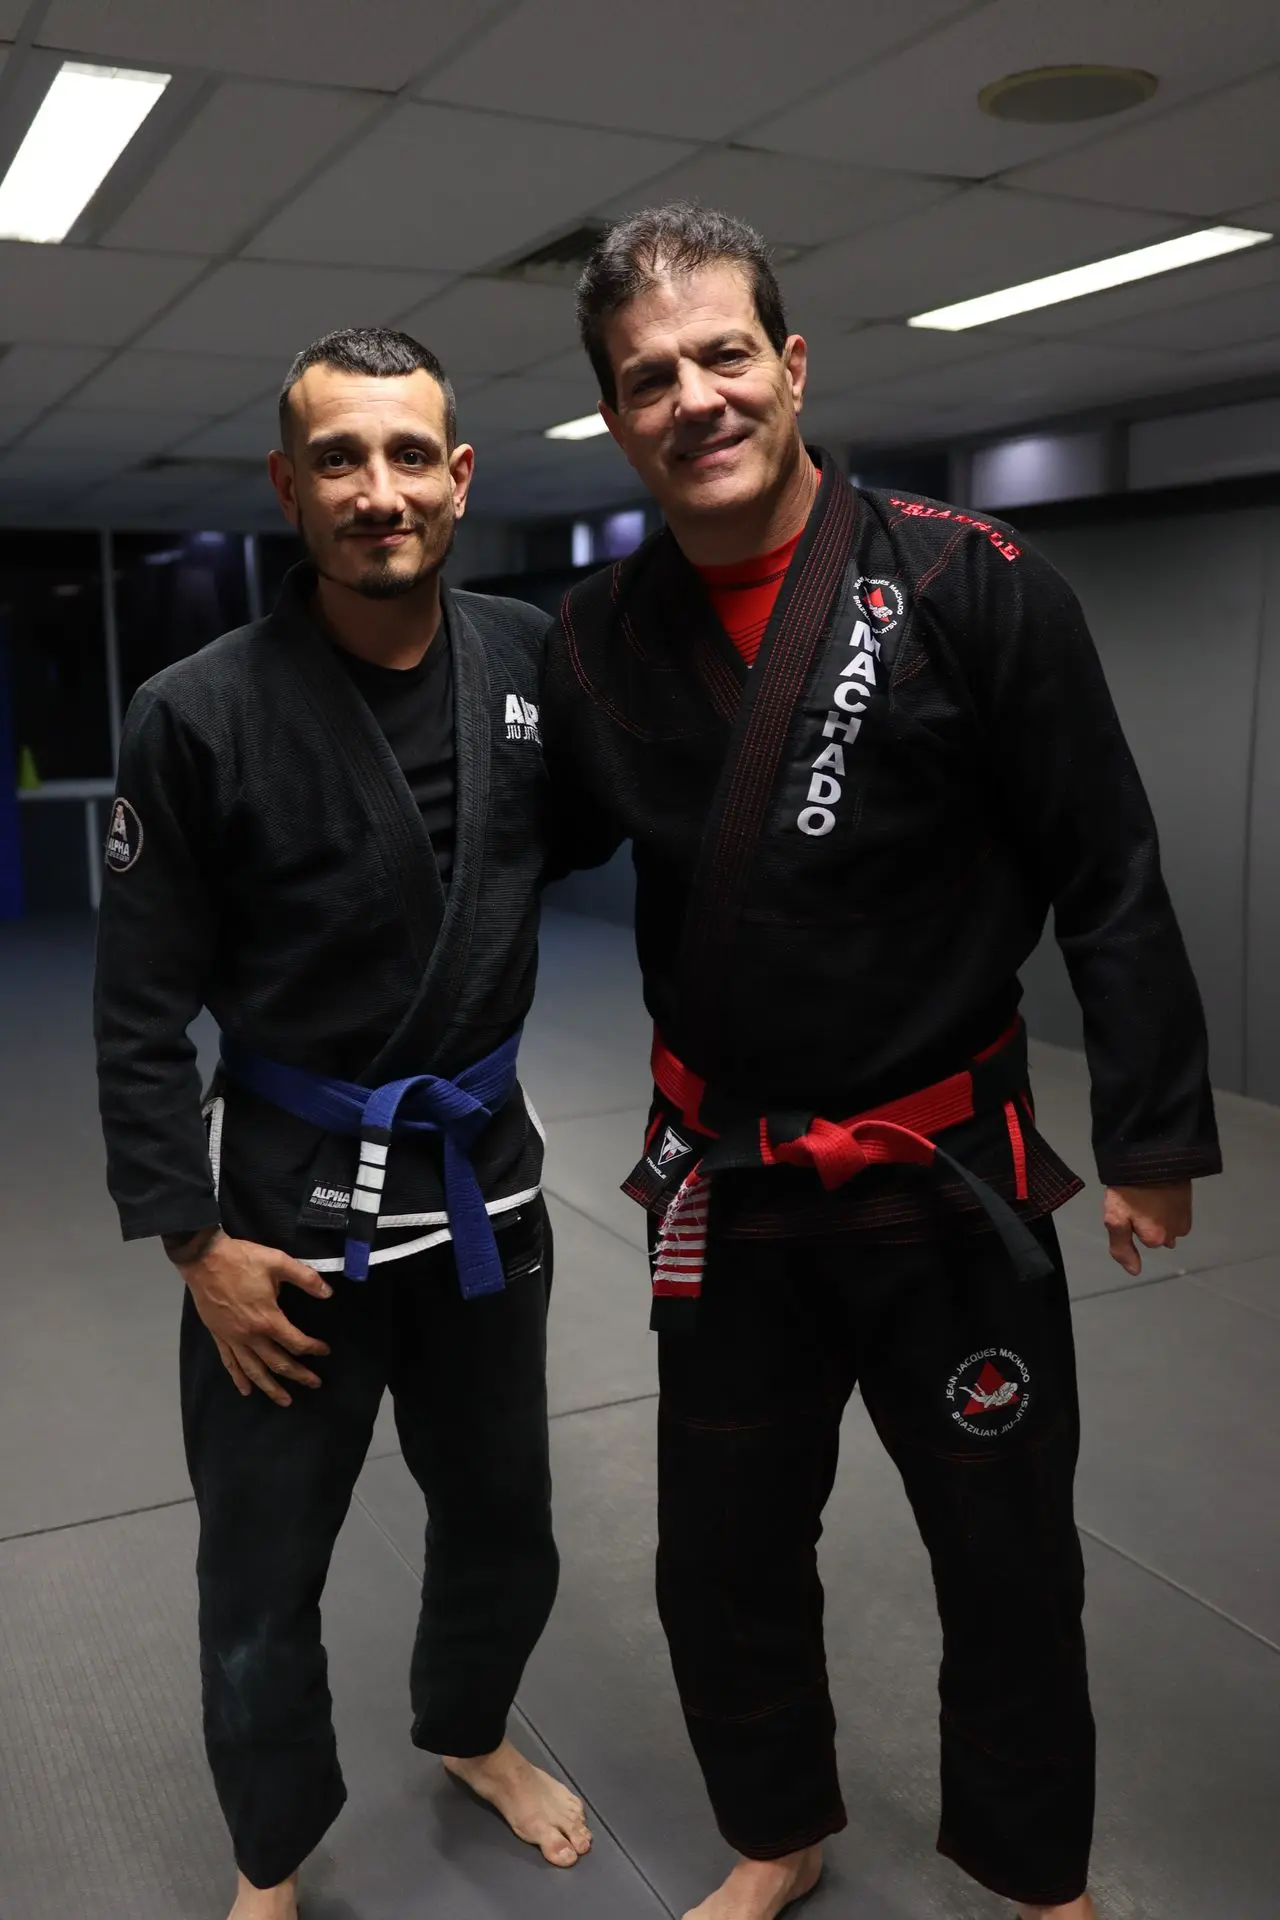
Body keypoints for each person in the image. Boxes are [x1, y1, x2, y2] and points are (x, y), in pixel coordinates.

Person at [541, 205, 1221, 1920]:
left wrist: (1148, 1134)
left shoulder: (969, 582)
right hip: (731, 1187)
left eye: (720, 354)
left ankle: (1037, 1872)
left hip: (947, 1181)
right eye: (647, 378)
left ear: (790, 363)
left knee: (1004, 1555)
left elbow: (1109, 867)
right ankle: (780, 1831)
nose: (692, 395)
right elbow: (515, 845)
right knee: (719, 1554)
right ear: (616, 419)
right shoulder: (601, 637)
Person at [94, 327, 591, 1920]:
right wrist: (195, 1246)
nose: (376, 492)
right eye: (337, 459)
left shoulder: (531, 663)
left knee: (507, 1523)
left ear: (458, 476)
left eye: (406, 457)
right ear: (287, 485)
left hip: (486, 1204)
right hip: (284, 1230)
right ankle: (271, 1854)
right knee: (260, 1579)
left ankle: (467, 1732)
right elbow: (137, 1009)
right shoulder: (197, 711)